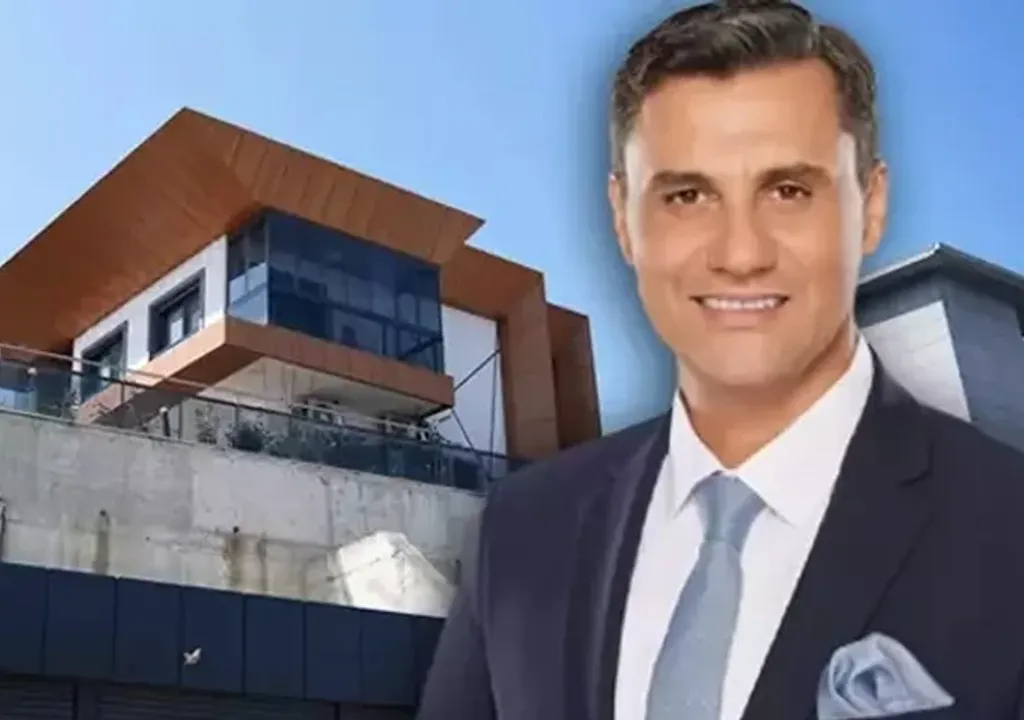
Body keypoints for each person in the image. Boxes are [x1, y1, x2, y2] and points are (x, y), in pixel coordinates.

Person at [417, 1, 1024, 719]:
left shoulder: (1005, 525)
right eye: (688, 194)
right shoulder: (521, 535)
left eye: (789, 190)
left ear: (871, 205)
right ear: (623, 220)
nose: (740, 253)